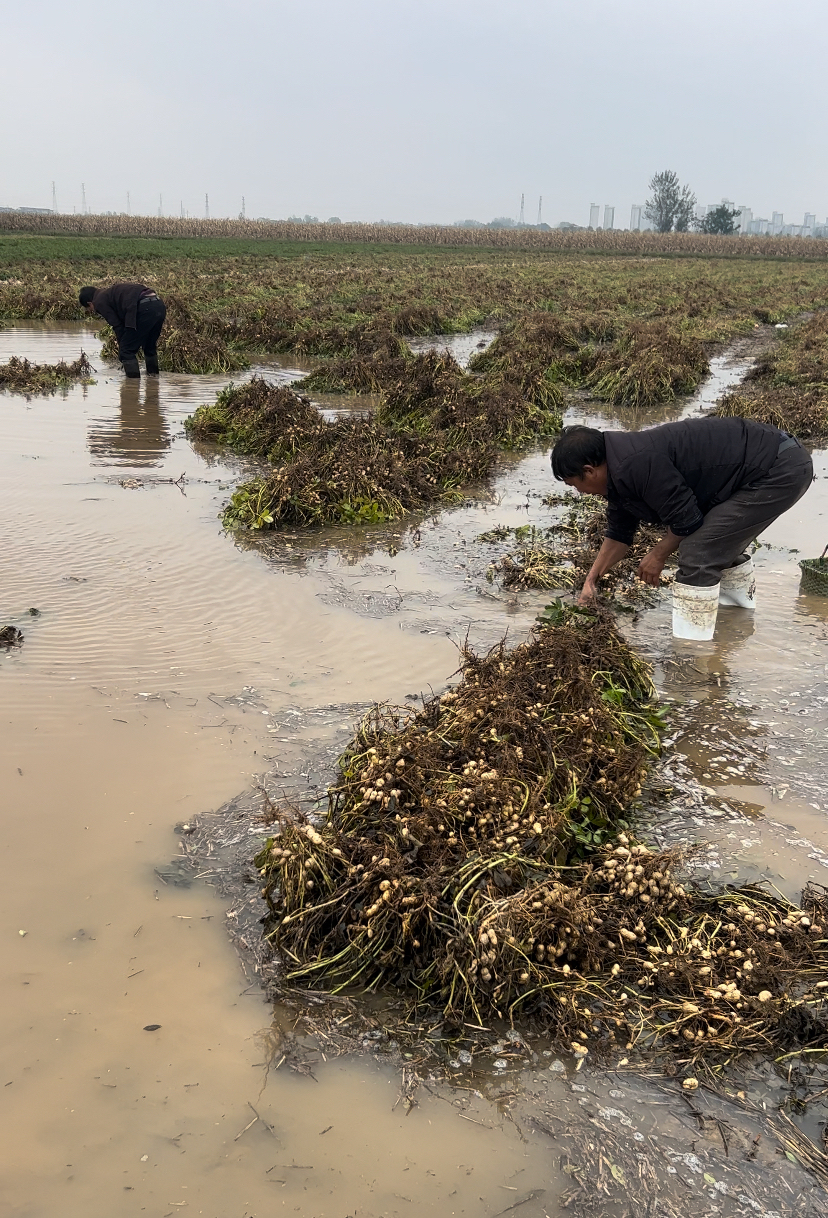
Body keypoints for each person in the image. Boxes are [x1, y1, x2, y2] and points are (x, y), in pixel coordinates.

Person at [549, 417, 813, 640]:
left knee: (699, 550)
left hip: (778, 468)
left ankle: (691, 656)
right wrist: (591, 580)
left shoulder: (636, 463)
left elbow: (687, 519)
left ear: (590, 471)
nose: (579, 492)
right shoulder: (617, 469)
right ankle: (736, 625)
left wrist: (657, 555)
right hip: (762, 465)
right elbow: (619, 535)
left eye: (574, 484)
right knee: (718, 541)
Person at [79, 283, 166, 379]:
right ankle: (153, 379)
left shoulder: (99, 301)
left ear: (90, 303)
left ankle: (133, 383)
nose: (91, 311)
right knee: (149, 347)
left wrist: (123, 349)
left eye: (89, 309)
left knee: (126, 351)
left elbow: (118, 326)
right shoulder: (108, 294)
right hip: (159, 305)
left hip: (144, 308)